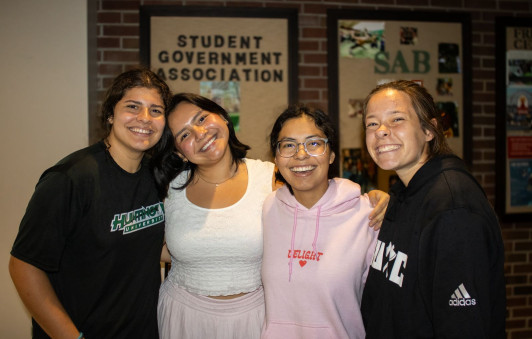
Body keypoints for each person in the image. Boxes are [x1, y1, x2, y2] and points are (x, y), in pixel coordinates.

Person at [151, 93, 389, 339]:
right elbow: (147, 244)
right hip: (184, 317)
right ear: (178, 150)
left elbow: (319, 202)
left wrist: (373, 201)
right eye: (185, 134)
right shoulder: (168, 188)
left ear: (223, 117)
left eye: (201, 118)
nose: (199, 133)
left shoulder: (273, 177)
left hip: (254, 319)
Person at [8, 67, 171, 339]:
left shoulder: (155, 175)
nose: (145, 118)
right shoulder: (70, 179)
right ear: (110, 114)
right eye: (133, 106)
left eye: (156, 110)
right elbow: (24, 266)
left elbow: (151, 247)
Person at [360, 80, 506, 338]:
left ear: (430, 130)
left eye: (396, 119)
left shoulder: (453, 208)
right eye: (372, 123)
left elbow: (465, 326)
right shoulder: (404, 194)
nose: (381, 131)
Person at [260, 106, 379, 338]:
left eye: (314, 143)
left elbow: (384, 301)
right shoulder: (268, 209)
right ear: (276, 157)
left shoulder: (368, 214)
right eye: (288, 145)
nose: (301, 154)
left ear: (331, 154)